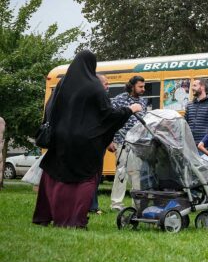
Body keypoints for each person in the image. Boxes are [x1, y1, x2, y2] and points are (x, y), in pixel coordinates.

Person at [32, 50, 142, 228]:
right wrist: (130, 110)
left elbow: (49, 109)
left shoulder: (62, 84)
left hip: (60, 140)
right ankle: (74, 220)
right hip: (86, 143)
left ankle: (45, 216)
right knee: (86, 179)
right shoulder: (94, 86)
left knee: (55, 177)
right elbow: (107, 115)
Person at [109, 75, 148, 211]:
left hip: (138, 143)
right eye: (140, 86)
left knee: (137, 173)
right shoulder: (120, 99)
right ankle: (116, 204)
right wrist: (110, 140)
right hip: (122, 141)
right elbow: (111, 119)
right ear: (132, 86)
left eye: (144, 86)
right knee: (121, 172)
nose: (143, 89)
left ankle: (136, 204)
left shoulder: (143, 102)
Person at [88, 74, 111, 215]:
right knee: (93, 176)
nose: (108, 87)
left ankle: (92, 205)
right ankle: (92, 206)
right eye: (105, 84)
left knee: (96, 176)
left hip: (100, 142)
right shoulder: (96, 100)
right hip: (94, 143)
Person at [185, 78, 208, 146]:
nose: (192, 88)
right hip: (190, 144)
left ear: (202, 87)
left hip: (205, 144)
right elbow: (184, 123)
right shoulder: (189, 105)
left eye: (194, 85)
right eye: (192, 86)